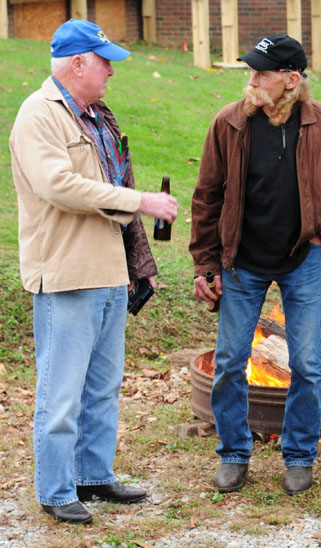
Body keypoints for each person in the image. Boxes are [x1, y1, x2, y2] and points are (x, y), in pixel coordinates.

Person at [9, 19, 179, 524]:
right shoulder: (39, 115)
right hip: (65, 275)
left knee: (102, 387)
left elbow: (107, 185)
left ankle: (93, 474)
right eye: (104, 61)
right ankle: (57, 490)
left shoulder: (95, 116)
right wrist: (139, 200)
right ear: (78, 62)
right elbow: (58, 185)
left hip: (107, 273)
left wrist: (134, 265)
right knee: (60, 393)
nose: (110, 71)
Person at [190, 34, 321, 496]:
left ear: (291, 79)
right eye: (250, 71)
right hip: (240, 263)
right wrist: (204, 264)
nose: (251, 80)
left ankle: (300, 455)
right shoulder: (229, 123)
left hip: (301, 260)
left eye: (261, 72)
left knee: (308, 364)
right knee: (231, 360)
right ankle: (233, 454)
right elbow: (206, 198)